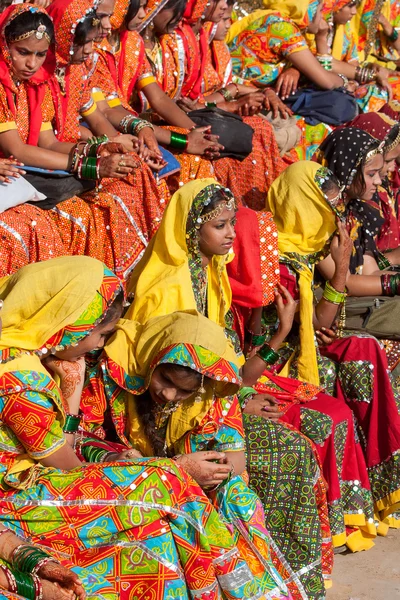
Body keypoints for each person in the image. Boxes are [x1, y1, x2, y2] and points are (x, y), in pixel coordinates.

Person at [0, 256, 267, 600]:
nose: (98, 345)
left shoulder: (22, 362)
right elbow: (67, 465)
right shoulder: (21, 382)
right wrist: (140, 472)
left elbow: (65, 446)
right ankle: (242, 591)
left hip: (37, 480)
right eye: (100, 334)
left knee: (169, 505)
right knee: (167, 481)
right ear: (70, 326)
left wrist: (72, 383)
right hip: (16, 497)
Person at [82, 310, 295, 600]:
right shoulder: (113, 371)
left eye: (184, 391)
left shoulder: (214, 393)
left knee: (238, 498)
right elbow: (81, 437)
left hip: (190, 485)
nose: (169, 396)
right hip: (126, 480)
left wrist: (212, 471)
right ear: (153, 361)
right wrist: (167, 469)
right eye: (165, 380)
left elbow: (235, 458)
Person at [264, 160, 400, 531]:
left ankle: (383, 487)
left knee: (365, 352)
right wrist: (341, 270)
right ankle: (344, 512)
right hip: (278, 360)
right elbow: (304, 328)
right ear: (302, 203)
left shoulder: (308, 245)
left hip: (307, 343)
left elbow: (322, 323)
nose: (333, 211)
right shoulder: (274, 254)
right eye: (323, 203)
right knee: (356, 362)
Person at [143, 0, 290, 209]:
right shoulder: (167, 40)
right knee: (210, 159)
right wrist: (193, 134)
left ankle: (253, 217)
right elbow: (174, 101)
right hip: (153, 126)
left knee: (260, 131)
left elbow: (171, 100)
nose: (222, 11)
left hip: (178, 119)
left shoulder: (195, 39)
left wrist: (261, 93)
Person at [226, 0, 344, 159]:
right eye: (320, 11)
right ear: (308, 9)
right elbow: (327, 81)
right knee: (320, 129)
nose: (324, 17)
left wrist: (294, 68)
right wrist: (344, 81)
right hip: (242, 98)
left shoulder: (272, 19)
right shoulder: (285, 29)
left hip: (251, 96)